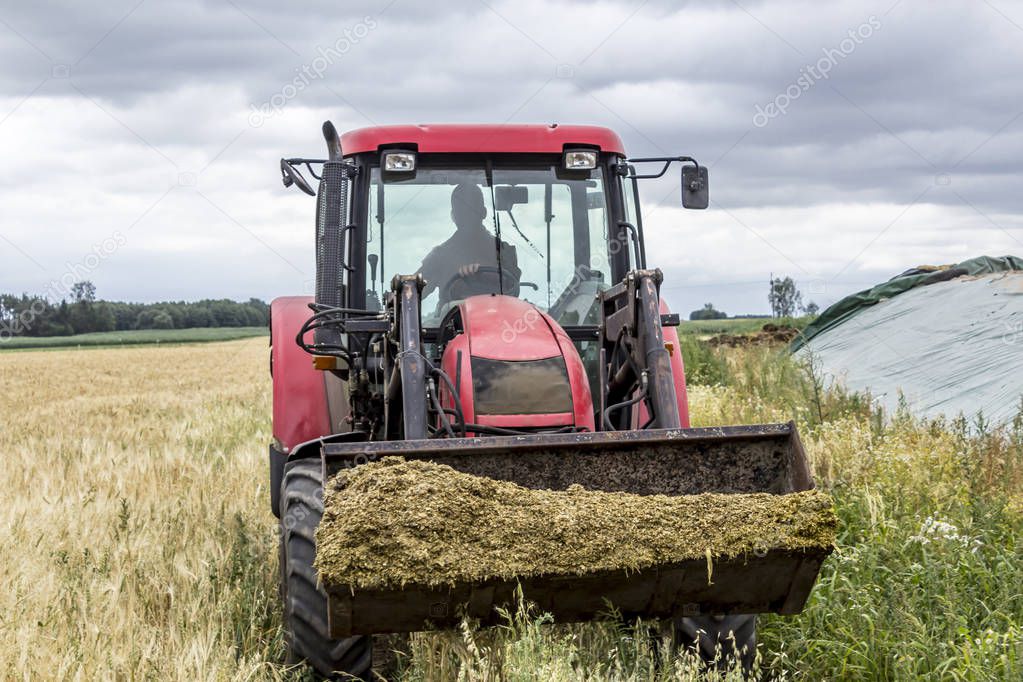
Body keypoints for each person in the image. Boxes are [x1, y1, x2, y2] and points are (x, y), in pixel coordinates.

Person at [418, 182, 520, 306]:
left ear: (483, 212)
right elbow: (412, 292)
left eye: (472, 210)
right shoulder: (439, 256)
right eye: (462, 211)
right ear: (454, 216)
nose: (467, 216)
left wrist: (483, 277)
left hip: (498, 320)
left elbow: (513, 290)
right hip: (451, 322)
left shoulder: (504, 252)